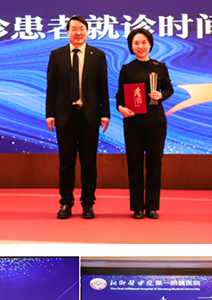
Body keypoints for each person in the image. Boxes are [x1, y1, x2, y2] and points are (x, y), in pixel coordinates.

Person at [46, 15, 110, 219]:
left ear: (87, 32)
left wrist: (105, 114)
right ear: (67, 32)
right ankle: (66, 203)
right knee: (66, 163)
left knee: (89, 163)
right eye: (74, 29)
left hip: (89, 116)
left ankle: (88, 204)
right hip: (65, 116)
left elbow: (102, 87)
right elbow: (52, 87)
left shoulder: (97, 55)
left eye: (82, 28)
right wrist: (49, 114)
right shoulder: (57, 55)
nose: (78, 32)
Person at [116, 28, 173, 219]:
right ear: (131, 46)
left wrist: (161, 95)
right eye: (136, 43)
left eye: (144, 42)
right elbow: (120, 96)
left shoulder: (159, 67)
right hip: (133, 123)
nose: (140, 46)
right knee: (135, 165)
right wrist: (121, 108)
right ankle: (137, 207)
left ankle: (152, 207)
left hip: (156, 122)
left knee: (154, 166)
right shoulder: (127, 69)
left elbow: (169, 89)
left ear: (150, 45)